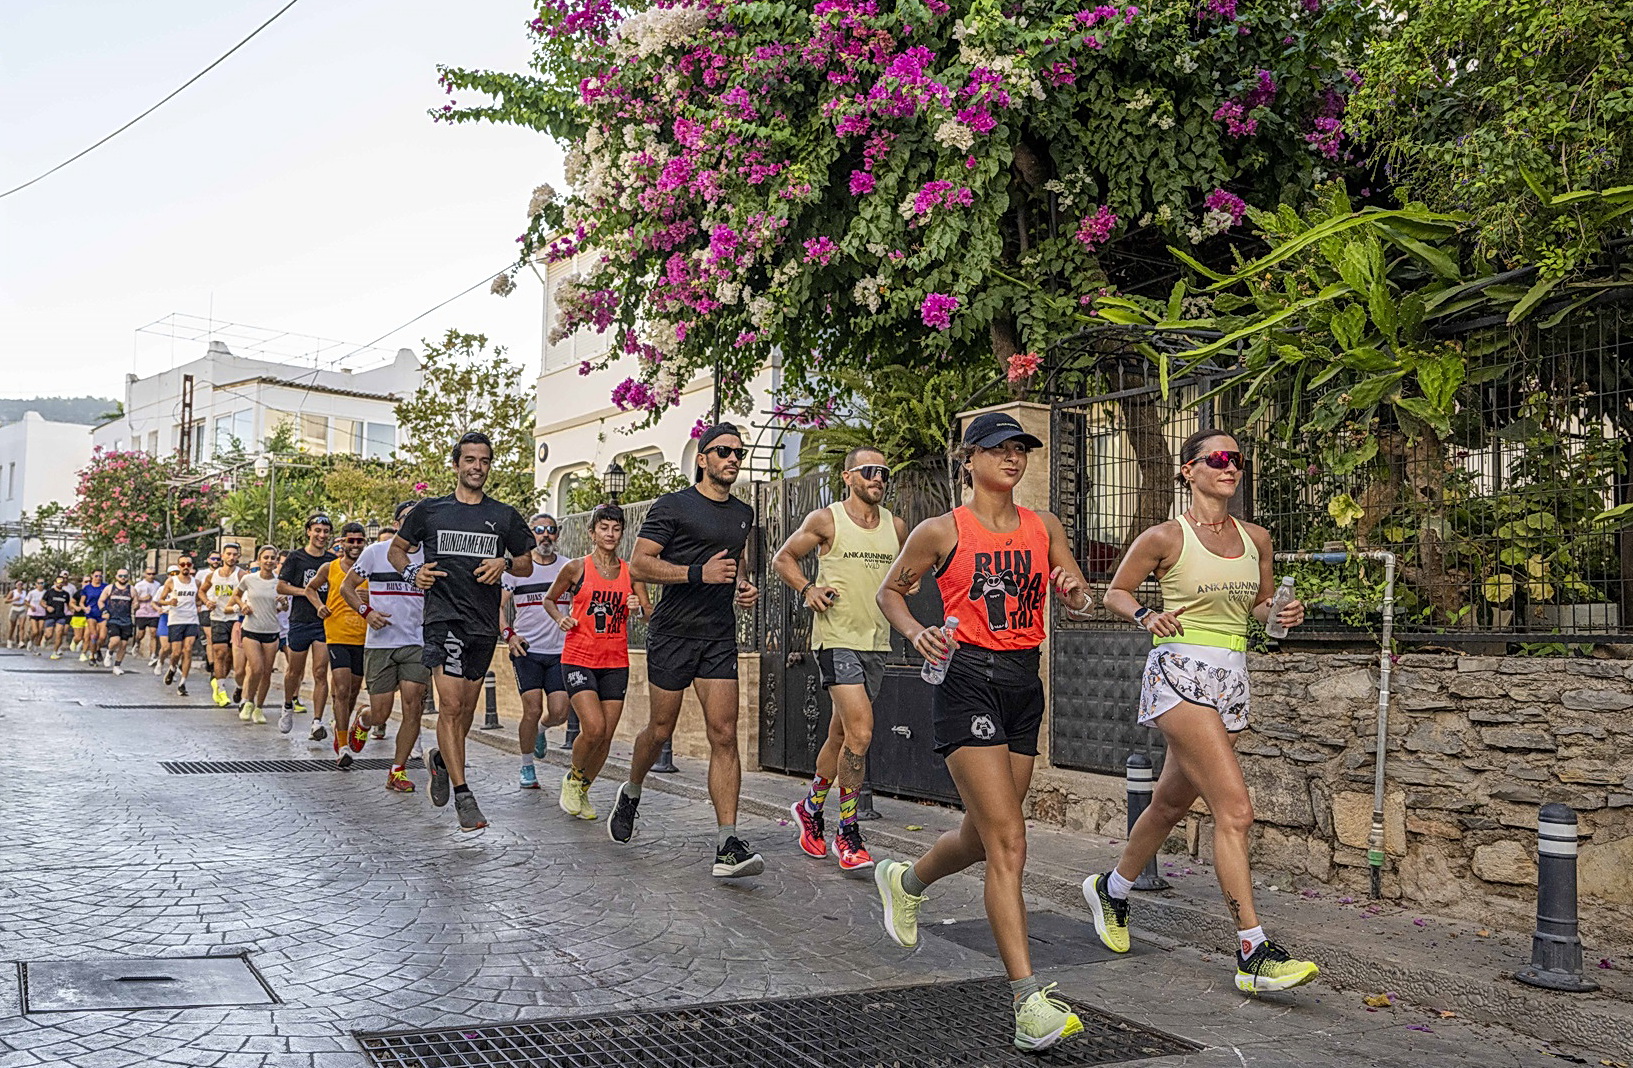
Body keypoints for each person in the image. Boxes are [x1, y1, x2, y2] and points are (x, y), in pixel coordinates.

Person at [872, 411, 1095, 1053]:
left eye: (1021, 449)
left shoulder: (1042, 526)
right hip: (967, 676)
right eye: (1000, 449)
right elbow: (894, 593)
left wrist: (1072, 591)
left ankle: (905, 882)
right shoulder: (942, 530)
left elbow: (1075, 591)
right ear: (969, 459)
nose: (1014, 458)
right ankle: (1029, 1002)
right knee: (1009, 840)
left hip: (1026, 681)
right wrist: (917, 631)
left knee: (981, 835)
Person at [1082, 428, 1316, 995]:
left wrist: (1279, 616)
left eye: (1236, 459)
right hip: (1178, 675)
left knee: (1166, 805)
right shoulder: (1166, 536)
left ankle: (1111, 889)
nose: (1230, 466)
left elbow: (1259, 606)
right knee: (1235, 810)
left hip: (1231, 678)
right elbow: (1116, 591)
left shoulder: (1256, 537)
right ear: (1189, 470)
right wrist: (1144, 616)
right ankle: (1252, 950)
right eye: (1217, 458)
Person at [611, 423, 763, 878]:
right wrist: (699, 574)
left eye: (739, 452)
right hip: (673, 634)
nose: (733, 459)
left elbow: (733, 567)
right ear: (702, 458)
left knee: (723, 733)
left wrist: (742, 586)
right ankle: (632, 792)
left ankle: (727, 843)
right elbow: (639, 564)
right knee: (660, 730)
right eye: (723, 452)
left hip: (717, 636)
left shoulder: (743, 514)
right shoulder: (673, 506)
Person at [772, 446, 908, 874]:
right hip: (836, 640)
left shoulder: (897, 527)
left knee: (841, 735)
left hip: (876, 642)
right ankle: (847, 832)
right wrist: (808, 590)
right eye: (869, 471)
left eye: (884, 472)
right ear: (848, 477)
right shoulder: (826, 520)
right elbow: (783, 558)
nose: (878, 478)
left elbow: (906, 577)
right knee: (862, 733)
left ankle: (810, 808)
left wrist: (909, 585)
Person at [390, 431, 533, 832]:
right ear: (456, 464)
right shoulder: (430, 511)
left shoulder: (504, 516)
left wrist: (504, 564)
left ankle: (440, 758)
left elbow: (525, 564)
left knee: (465, 712)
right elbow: (396, 549)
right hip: (443, 619)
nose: (477, 467)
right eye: (470, 460)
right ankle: (464, 794)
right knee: (450, 707)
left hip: (483, 625)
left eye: (484, 461)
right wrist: (412, 571)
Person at [543, 503, 652, 818]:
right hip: (579, 657)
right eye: (604, 528)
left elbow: (648, 615)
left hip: (615, 660)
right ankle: (573, 778)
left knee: (606, 735)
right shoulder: (576, 568)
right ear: (592, 532)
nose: (610, 534)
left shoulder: (632, 572)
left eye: (616, 528)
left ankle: (583, 788)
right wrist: (560, 619)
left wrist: (638, 607)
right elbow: (551, 599)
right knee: (593, 727)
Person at [341, 500, 429, 793]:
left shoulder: (431, 555)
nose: (413, 523)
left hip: (416, 641)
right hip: (380, 643)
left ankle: (397, 771)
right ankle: (364, 720)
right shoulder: (375, 553)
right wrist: (367, 613)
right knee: (381, 713)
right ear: (397, 523)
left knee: (413, 706)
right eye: (407, 518)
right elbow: (347, 588)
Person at [501, 512, 575, 791]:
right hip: (527, 650)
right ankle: (526, 766)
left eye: (551, 530)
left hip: (561, 651)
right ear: (531, 535)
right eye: (539, 530)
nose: (545, 535)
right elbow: (496, 605)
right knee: (531, 710)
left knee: (559, 712)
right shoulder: (518, 569)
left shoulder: (568, 567)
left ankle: (542, 732)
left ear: (557, 535)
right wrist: (509, 635)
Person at [309, 521, 370, 767]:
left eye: (359, 541)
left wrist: (372, 596)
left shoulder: (371, 567)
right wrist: (319, 606)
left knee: (353, 691)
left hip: (365, 637)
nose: (355, 545)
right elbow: (310, 589)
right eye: (351, 540)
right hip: (337, 635)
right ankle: (343, 747)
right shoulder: (330, 567)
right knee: (341, 689)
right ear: (342, 542)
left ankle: (342, 728)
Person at [278, 516, 336, 740]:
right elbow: (281, 586)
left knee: (321, 671)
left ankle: (317, 721)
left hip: (324, 622)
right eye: (317, 530)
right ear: (308, 532)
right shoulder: (295, 557)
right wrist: (307, 592)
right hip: (300, 620)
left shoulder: (333, 561)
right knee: (295, 670)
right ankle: (287, 704)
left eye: (326, 531)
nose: (322, 535)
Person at [228, 546, 283, 726]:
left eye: (272, 558)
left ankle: (259, 707)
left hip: (272, 631)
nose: (269, 561)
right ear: (259, 560)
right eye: (265, 557)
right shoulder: (249, 579)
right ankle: (248, 701)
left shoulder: (280, 582)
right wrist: (242, 606)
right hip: (251, 629)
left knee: (267, 672)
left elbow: (284, 607)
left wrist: (283, 603)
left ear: (276, 561)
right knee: (256, 668)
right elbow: (236, 596)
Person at [201, 544, 246, 708]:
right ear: (222, 555)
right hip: (218, 618)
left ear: (238, 556)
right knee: (220, 653)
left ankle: (223, 682)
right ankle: (220, 690)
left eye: (235, 554)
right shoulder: (213, 576)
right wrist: (207, 602)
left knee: (231, 657)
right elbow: (201, 591)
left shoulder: (241, 575)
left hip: (236, 618)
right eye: (228, 554)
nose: (231, 557)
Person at [157, 555, 204, 696]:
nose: (185, 566)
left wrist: (200, 604)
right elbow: (161, 600)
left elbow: (198, 599)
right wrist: (169, 602)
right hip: (175, 620)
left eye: (188, 564)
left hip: (191, 620)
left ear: (191, 566)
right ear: (178, 566)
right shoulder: (172, 581)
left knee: (188, 649)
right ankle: (172, 668)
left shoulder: (196, 583)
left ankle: (183, 682)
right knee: (176, 652)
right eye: (182, 564)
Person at [99, 568, 137, 674]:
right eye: (120, 576)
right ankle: (109, 653)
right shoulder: (110, 588)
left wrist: (136, 605)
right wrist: (104, 611)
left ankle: (117, 666)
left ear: (128, 577)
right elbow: (101, 601)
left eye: (125, 576)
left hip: (126, 620)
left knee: (124, 644)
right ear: (116, 577)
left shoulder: (132, 589)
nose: (123, 578)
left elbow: (135, 602)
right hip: (113, 619)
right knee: (115, 640)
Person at [134, 566, 162, 662]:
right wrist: (142, 599)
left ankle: (153, 654)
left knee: (153, 633)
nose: (151, 576)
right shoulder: (139, 585)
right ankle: (137, 643)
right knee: (141, 632)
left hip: (154, 612)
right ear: (145, 574)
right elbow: (133, 597)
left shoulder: (158, 585)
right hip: (142, 612)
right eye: (149, 574)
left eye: (153, 574)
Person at [80, 569, 107, 664]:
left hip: (102, 614)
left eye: (100, 576)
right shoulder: (87, 588)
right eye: (96, 576)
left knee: (103, 637)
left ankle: (98, 649)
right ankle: (92, 656)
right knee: (94, 635)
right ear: (92, 576)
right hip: (91, 614)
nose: (98, 578)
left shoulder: (105, 587)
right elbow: (81, 603)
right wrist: (84, 608)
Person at [42, 573, 72, 659]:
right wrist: (47, 607)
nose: (60, 583)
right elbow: (42, 602)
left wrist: (73, 611)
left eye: (61, 582)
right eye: (58, 582)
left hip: (61, 616)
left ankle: (55, 652)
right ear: (55, 583)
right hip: (50, 616)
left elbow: (69, 605)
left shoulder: (66, 594)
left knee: (59, 633)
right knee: (49, 634)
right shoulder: (49, 592)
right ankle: (45, 637)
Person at [68, 574, 89, 656]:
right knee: (78, 637)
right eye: (86, 581)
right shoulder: (78, 593)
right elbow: (71, 602)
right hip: (78, 616)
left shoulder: (95, 592)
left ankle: (83, 654)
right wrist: (75, 607)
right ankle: (74, 641)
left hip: (89, 616)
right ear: (82, 583)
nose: (88, 583)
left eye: (90, 581)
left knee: (87, 636)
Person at [25, 577, 47, 654]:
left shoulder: (46, 592)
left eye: (43, 583)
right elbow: (26, 601)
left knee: (40, 631)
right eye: (40, 583)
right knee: (35, 631)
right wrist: (31, 606)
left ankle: (36, 647)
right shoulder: (32, 592)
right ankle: (30, 640)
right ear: (36, 584)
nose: (41, 585)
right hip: (33, 613)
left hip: (42, 613)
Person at [6, 582, 27, 647]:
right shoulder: (13, 592)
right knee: (13, 626)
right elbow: (6, 601)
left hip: (22, 608)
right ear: (16, 585)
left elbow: (27, 600)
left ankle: (21, 641)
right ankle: (9, 640)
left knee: (22, 626)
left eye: (21, 584)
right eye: (19, 584)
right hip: (14, 608)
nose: (20, 585)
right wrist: (14, 599)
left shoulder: (24, 592)